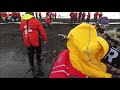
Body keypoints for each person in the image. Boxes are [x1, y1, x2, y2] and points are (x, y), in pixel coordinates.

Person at [20, 12, 48, 78]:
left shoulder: (22, 21)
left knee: (30, 52)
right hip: (35, 40)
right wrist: (45, 39)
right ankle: (38, 60)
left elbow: (21, 29)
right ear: (32, 15)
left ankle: (31, 64)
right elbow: (42, 31)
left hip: (27, 39)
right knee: (38, 50)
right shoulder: (36, 21)